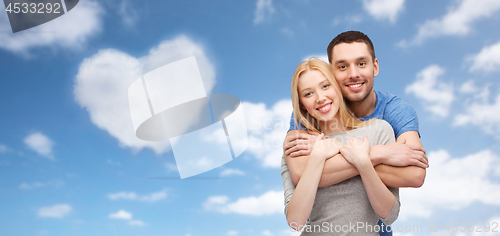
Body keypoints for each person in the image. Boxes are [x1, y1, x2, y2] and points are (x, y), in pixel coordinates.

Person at [281, 31, 428, 235]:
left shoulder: (389, 119)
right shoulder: (305, 126)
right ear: (333, 73)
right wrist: (377, 154)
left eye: (361, 63)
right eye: (342, 66)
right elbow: (298, 175)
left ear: (375, 66)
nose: (353, 74)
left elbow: (414, 174)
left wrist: (354, 158)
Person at [284, 58, 399, 235]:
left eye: (325, 86)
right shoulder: (300, 145)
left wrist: (363, 162)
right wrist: (317, 157)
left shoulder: (379, 130)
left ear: (337, 87)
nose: (320, 98)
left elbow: (389, 215)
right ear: (301, 104)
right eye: (308, 94)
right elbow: (295, 222)